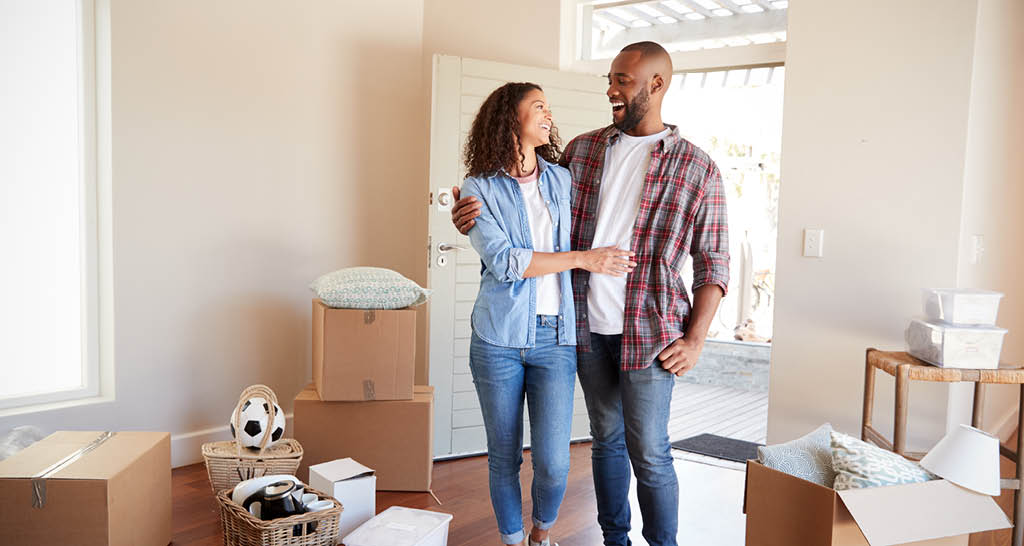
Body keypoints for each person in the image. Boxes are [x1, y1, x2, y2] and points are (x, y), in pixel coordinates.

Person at [451, 42, 730, 546]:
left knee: (650, 450)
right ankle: (613, 539)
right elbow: (522, 195)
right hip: (581, 329)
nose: (610, 90)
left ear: (656, 85)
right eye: (610, 78)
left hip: (651, 335)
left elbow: (714, 263)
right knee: (606, 442)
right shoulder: (582, 151)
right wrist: (468, 212)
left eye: (622, 80)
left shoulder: (697, 168)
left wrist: (696, 339)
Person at [459, 81, 637, 546]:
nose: (549, 114)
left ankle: (542, 533)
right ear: (509, 118)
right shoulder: (479, 188)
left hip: (555, 339)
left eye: (548, 107)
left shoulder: (562, 179)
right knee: (503, 457)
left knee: (555, 460)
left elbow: (606, 215)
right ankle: (513, 540)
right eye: (538, 106)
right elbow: (508, 262)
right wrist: (584, 257)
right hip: (497, 339)